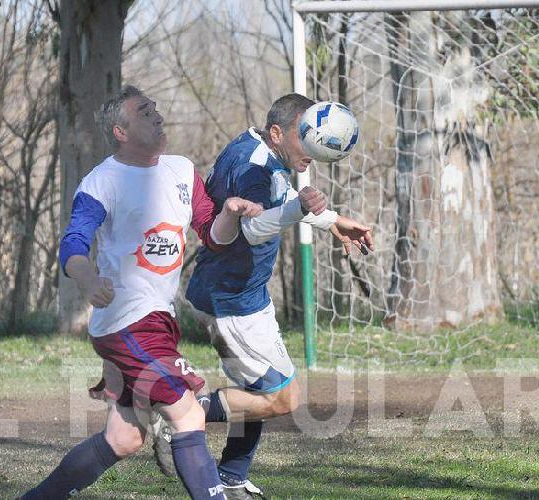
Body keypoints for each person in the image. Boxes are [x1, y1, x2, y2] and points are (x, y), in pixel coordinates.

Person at [19, 85, 264, 500]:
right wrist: (89, 280)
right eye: (145, 113)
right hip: (126, 321)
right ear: (121, 131)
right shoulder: (101, 181)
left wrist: (227, 213)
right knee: (187, 413)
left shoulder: (182, 170)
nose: (158, 117)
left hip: (157, 321)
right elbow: (73, 243)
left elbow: (212, 236)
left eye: (155, 110)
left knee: (125, 437)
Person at [152, 93, 375, 499]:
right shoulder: (257, 168)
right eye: (304, 139)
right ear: (277, 132)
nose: (312, 150)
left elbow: (280, 199)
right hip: (232, 302)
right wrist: (302, 211)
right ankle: (183, 415)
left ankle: (232, 478)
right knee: (281, 397)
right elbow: (251, 229)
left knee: (253, 390)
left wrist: (330, 220)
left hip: (238, 293)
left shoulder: (255, 148)